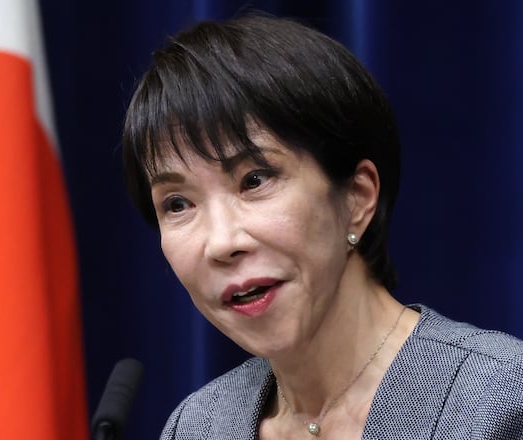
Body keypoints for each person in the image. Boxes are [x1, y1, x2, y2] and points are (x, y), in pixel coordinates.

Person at [121, 13, 523, 440]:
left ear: (357, 197)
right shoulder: (197, 427)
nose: (221, 243)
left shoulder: (500, 401)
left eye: (254, 180)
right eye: (177, 204)